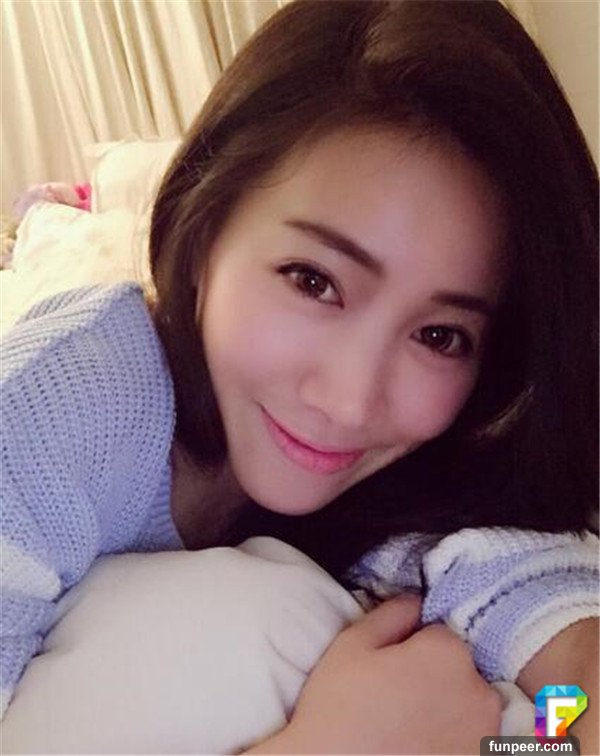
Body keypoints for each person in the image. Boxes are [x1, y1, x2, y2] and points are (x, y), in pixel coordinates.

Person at [1, 0, 597, 753]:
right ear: (203, 229)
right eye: (313, 281)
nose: (349, 402)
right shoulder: (54, 407)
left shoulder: (417, 471)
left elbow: (536, 612)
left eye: (439, 336)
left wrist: (567, 701)